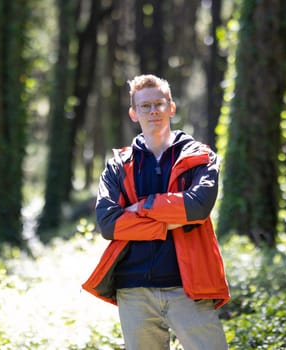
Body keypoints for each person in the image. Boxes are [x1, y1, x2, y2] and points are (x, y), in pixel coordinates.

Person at [82, 74, 230, 350]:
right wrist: (168, 222)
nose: (153, 111)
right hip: (134, 289)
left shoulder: (200, 156)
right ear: (133, 113)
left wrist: (143, 207)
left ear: (171, 108)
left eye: (159, 104)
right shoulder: (118, 165)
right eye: (144, 106)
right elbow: (109, 224)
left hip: (189, 287)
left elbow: (197, 207)